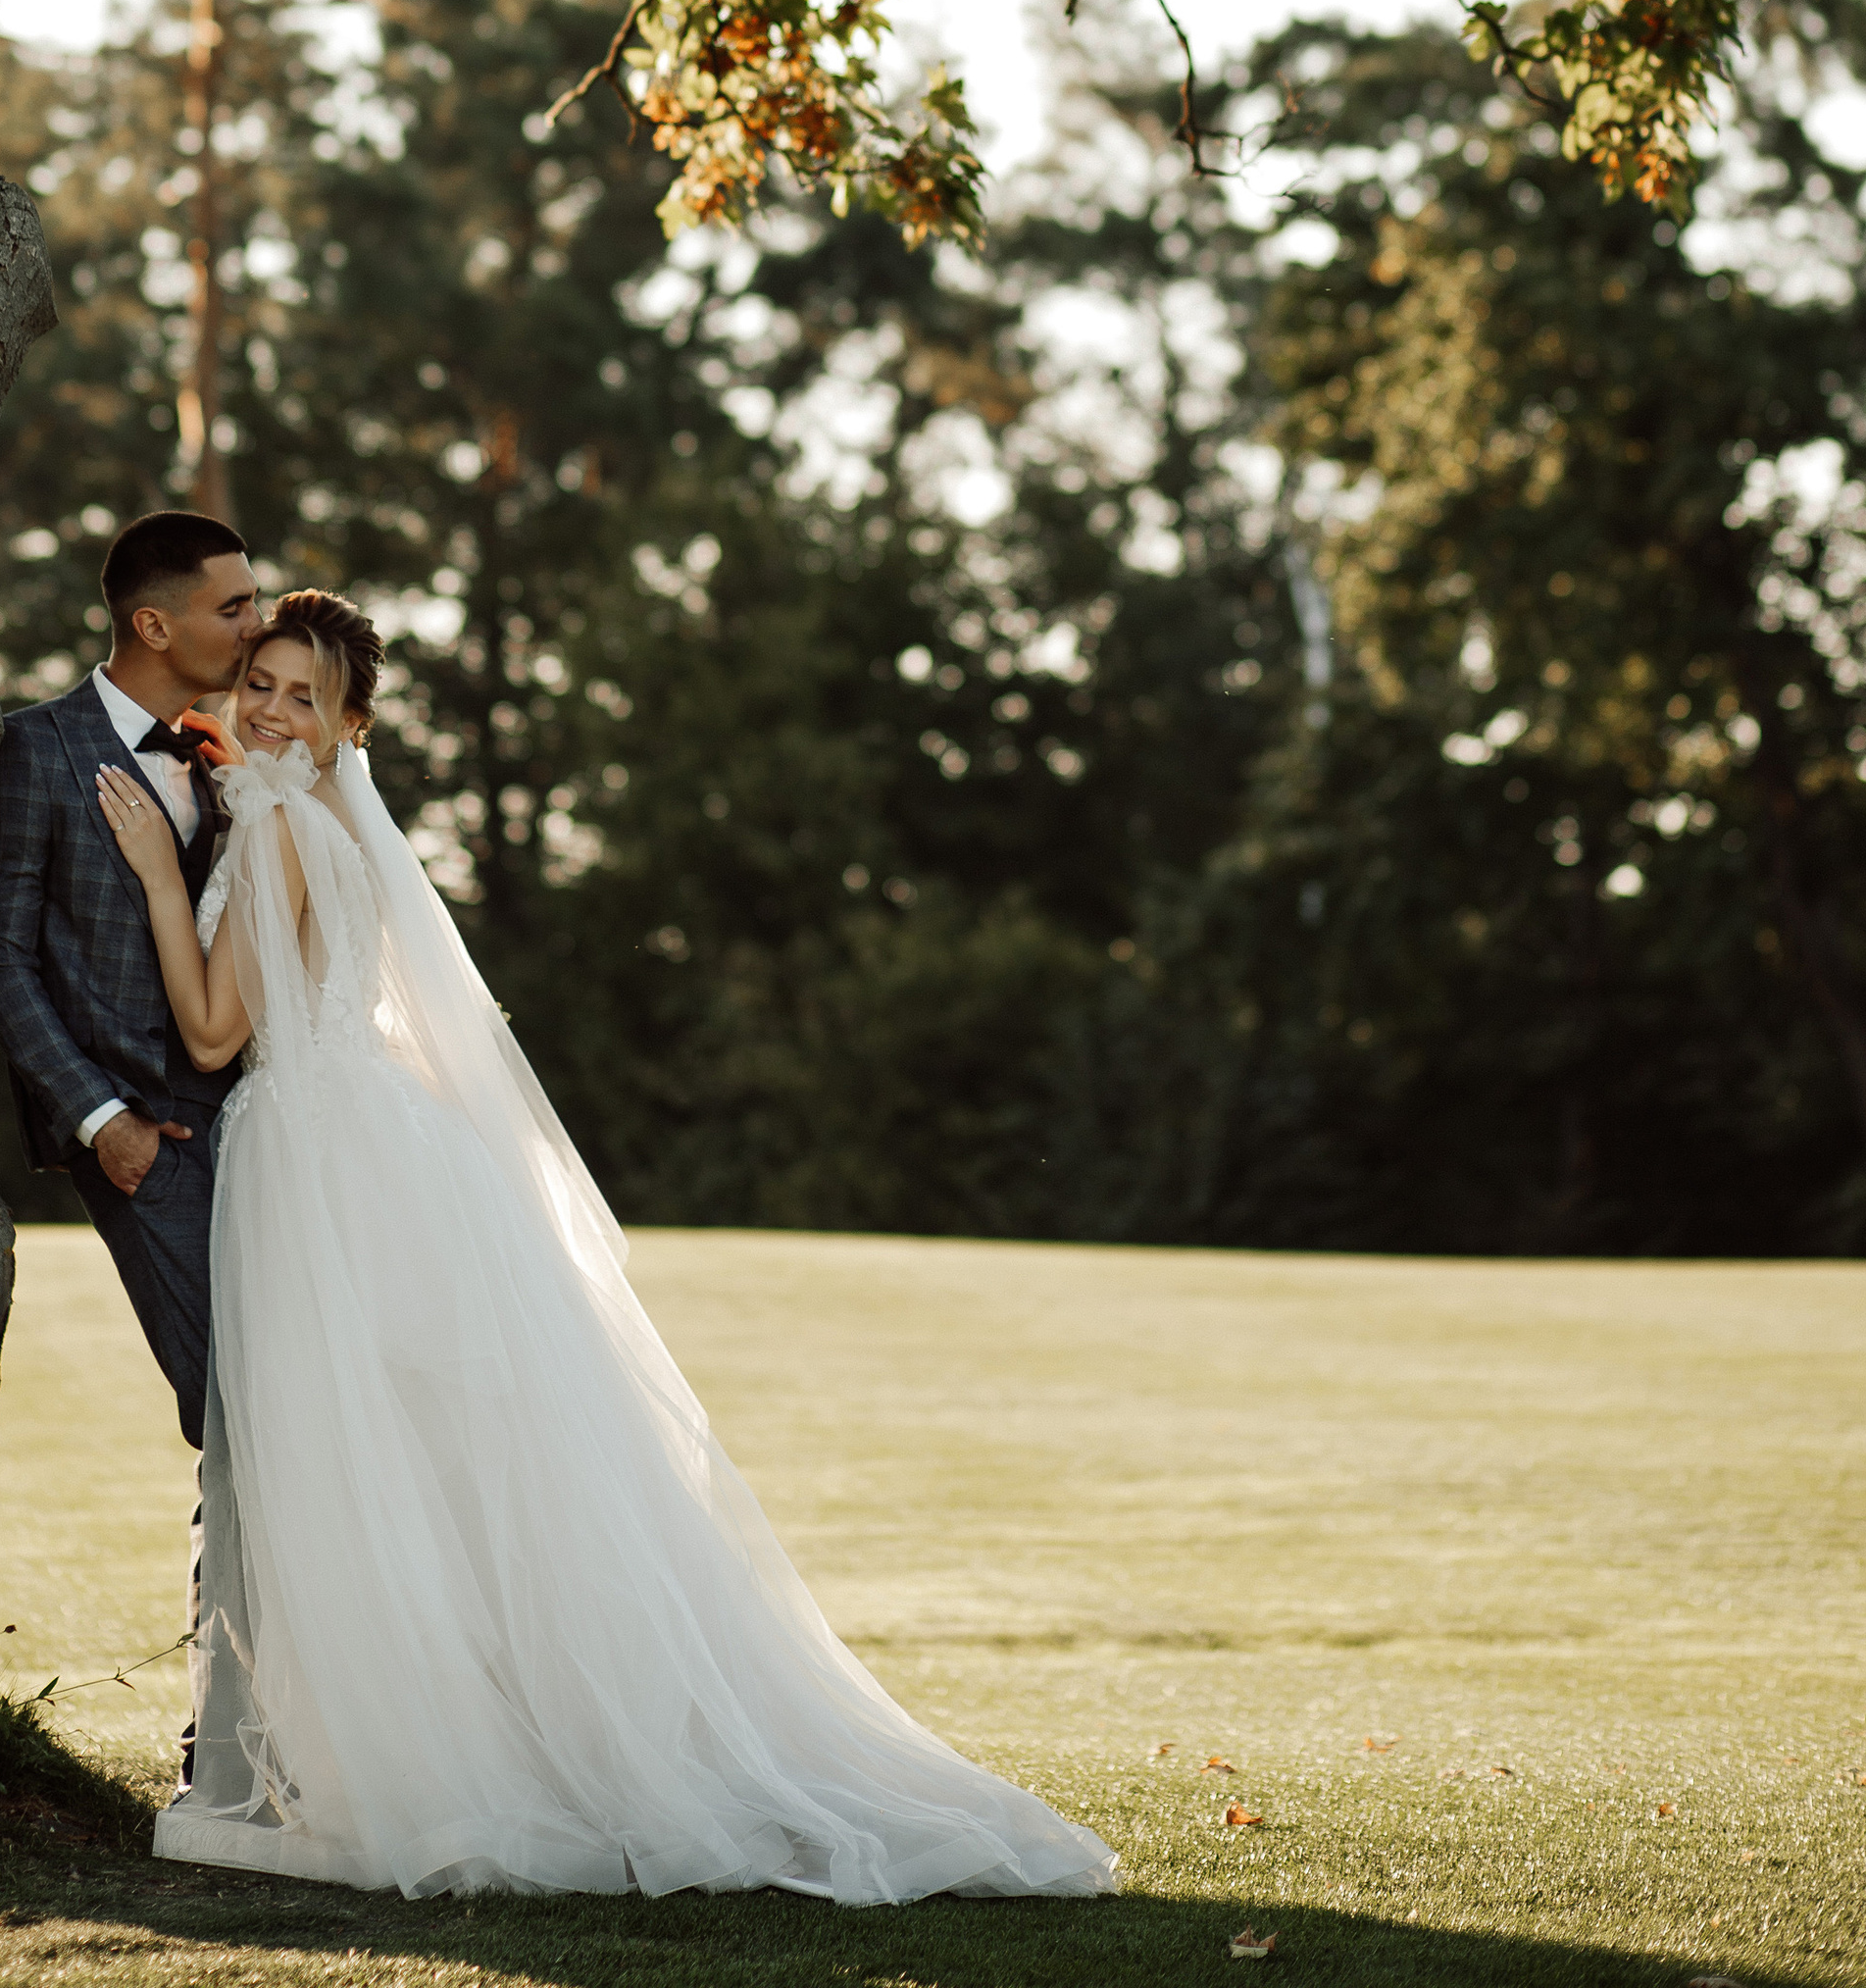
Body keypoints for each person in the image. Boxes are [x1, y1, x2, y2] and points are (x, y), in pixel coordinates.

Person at [94, 593, 1116, 1905]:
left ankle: (397, 1762)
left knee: (346, 1461)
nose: (271, 711)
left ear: (352, 722)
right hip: (374, 1139)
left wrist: (156, 882)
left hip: (314, 1157)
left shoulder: (290, 820)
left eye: (304, 696)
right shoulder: (342, 820)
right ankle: (450, 1739)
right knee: (413, 1468)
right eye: (263, 685)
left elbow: (219, 1033)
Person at [0, 510, 264, 1449]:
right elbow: (1, 960)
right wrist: (104, 1124)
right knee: (230, 1402)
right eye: (235, 607)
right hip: (145, 1137)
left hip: (259, 1126)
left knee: (291, 1380)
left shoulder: (229, 759)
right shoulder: (37, 749)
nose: (254, 625)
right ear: (154, 625)